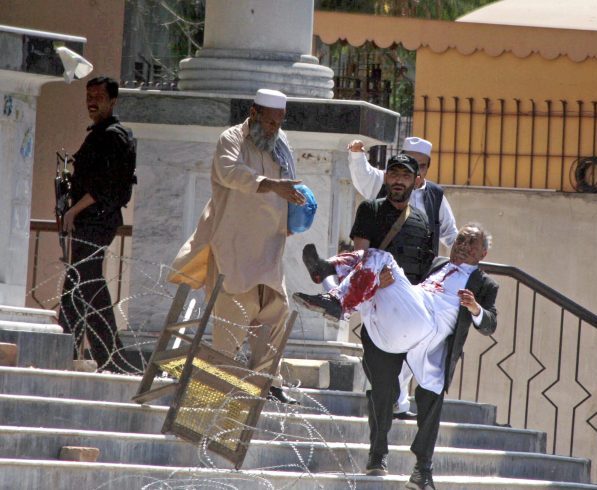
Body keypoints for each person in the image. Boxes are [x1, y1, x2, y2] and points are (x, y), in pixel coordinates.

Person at [294, 223, 498, 490]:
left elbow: (490, 324)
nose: (462, 245)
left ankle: (422, 471)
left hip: (429, 327)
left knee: (430, 402)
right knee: (379, 261)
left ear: (482, 253)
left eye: (470, 242)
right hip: (410, 314)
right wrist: (385, 280)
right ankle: (329, 276)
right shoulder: (436, 263)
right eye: (460, 239)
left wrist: (475, 308)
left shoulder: (484, 283)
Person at [167, 88, 304, 404]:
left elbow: (290, 187)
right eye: (269, 122)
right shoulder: (231, 139)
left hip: (269, 251)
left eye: (279, 123)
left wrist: (297, 211)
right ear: (254, 113)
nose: (273, 129)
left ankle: (269, 382)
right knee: (231, 322)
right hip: (233, 249)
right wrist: (270, 185)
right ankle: (213, 393)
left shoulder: (280, 147)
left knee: (275, 315)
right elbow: (230, 173)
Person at [348, 136, 458, 420]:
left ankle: (399, 401)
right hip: (382, 283)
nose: (413, 174)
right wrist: (357, 157)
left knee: (412, 343)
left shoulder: (435, 196)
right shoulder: (384, 192)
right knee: (381, 343)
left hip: (416, 283)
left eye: (419, 168)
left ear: (426, 168)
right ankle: (388, 401)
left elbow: (449, 233)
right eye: (407, 167)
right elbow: (365, 178)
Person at [59, 76, 137, 373]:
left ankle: (110, 355)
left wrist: (73, 211)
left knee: (87, 283)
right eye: (89, 95)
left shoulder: (113, 137)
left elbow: (105, 185)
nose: (92, 101)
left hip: (96, 221)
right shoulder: (100, 134)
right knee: (76, 285)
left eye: (99, 96)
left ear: (113, 100)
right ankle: (65, 347)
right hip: (88, 221)